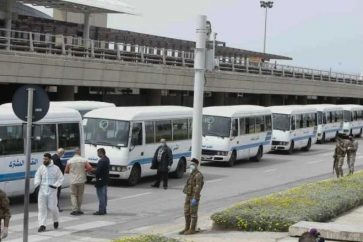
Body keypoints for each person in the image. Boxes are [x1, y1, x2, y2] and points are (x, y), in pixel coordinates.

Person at [34, 153, 64, 232]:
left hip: (52, 191)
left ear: (50, 159)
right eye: (43, 159)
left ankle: (55, 220)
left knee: (52, 207)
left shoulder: (56, 168)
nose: (44, 160)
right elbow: (37, 176)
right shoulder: (41, 168)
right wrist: (37, 183)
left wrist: (56, 185)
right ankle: (42, 225)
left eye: (46, 159)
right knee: (41, 208)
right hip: (42, 190)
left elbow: (60, 178)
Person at [65, 148, 92, 215]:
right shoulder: (84, 160)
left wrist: (71, 172)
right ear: (79, 152)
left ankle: (74, 209)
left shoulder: (70, 161)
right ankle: (79, 209)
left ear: (74, 153)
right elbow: (89, 168)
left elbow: (66, 171)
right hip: (81, 180)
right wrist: (84, 171)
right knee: (80, 195)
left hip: (73, 180)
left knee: (73, 195)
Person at [180, 158, 204, 235]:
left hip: (194, 196)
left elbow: (198, 187)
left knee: (193, 213)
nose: (191, 166)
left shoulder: (198, 175)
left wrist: (195, 198)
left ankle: (192, 229)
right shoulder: (191, 174)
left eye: (193, 164)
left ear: (197, 165)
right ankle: (186, 228)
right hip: (188, 195)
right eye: (191, 164)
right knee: (186, 212)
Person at [93, 148, 110, 215]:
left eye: (98, 153)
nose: (97, 154)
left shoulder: (101, 161)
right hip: (105, 179)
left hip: (100, 180)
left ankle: (101, 210)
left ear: (101, 153)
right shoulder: (107, 159)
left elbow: (98, 171)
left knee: (101, 196)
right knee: (104, 195)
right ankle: (104, 209)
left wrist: (91, 170)